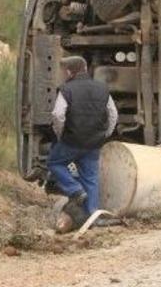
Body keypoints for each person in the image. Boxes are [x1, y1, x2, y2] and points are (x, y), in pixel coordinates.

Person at [48, 56, 117, 224]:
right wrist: (105, 134)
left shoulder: (66, 89)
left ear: (69, 72)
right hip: (94, 142)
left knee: (54, 163)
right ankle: (93, 217)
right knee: (91, 177)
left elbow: (58, 114)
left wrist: (60, 134)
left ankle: (75, 190)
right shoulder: (102, 88)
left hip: (71, 140)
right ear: (85, 69)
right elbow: (113, 114)